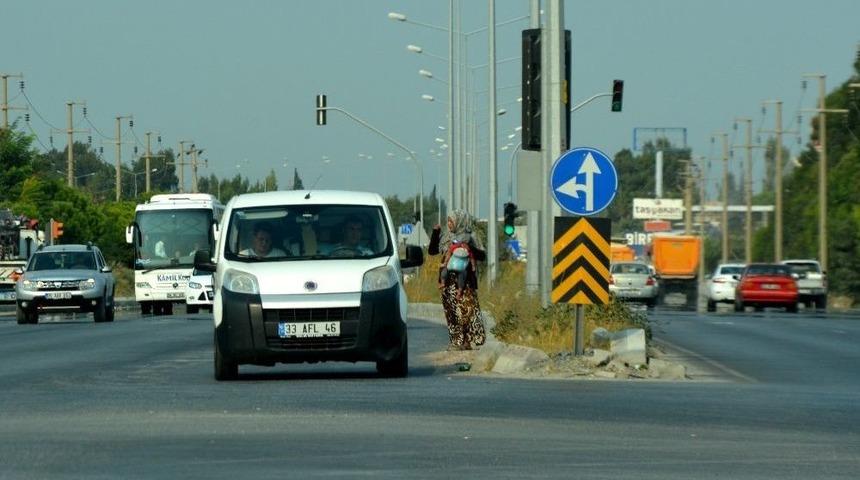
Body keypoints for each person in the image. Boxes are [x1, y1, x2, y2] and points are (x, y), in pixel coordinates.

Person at [428, 209, 487, 351]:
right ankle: (457, 341)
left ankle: (470, 340)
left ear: (460, 221)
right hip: (448, 281)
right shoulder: (447, 236)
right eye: (448, 221)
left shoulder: (471, 236)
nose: (449, 224)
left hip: (465, 280)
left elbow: (482, 256)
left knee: (468, 310)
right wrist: (436, 233)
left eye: (452, 221)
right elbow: (432, 251)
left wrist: (469, 248)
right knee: (452, 311)